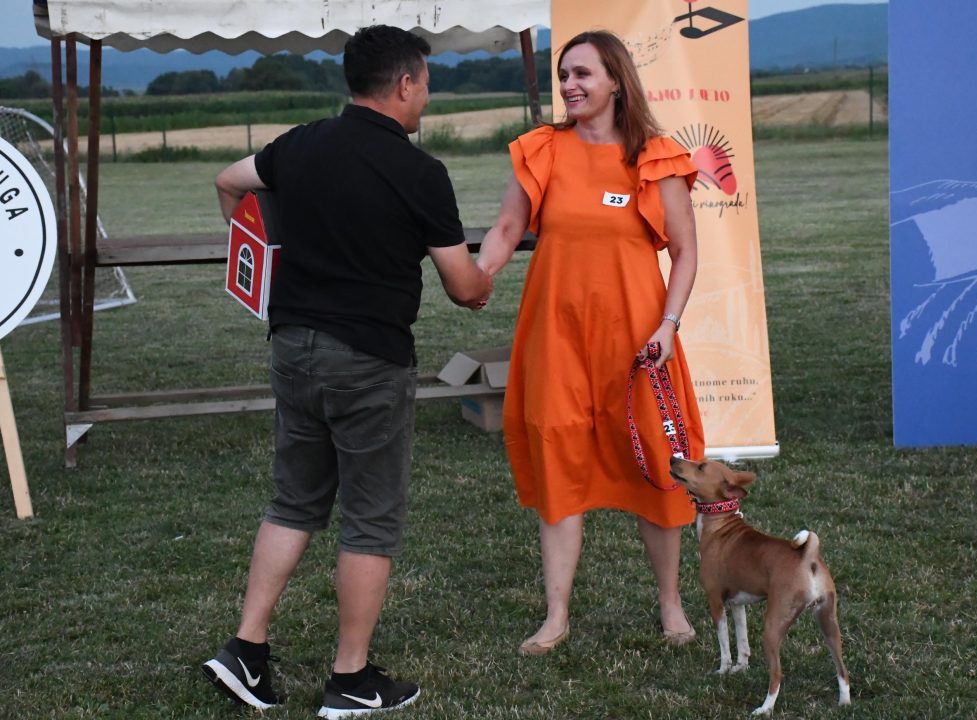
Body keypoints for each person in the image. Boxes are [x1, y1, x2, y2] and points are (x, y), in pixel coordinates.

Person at [201, 25, 492, 717]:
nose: (427, 96)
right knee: (370, 522)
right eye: (426, 83)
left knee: (293, 503)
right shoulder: (420, 173)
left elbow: (228, 181)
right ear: (404, 84)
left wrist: (257, 257)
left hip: (292, 347)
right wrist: (486, 278)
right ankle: (351, 678)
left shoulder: (300, 144)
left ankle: (246, 650)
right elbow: (463, 286)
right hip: (368, 359)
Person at [477, 30, 704, 655]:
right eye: (563, 75)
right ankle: (556, 616)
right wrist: (479, 275)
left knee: (656, 465)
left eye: (582, 74)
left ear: (615, 82)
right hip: (556, 337)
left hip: (639, 339)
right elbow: (506, 228)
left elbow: (686, 253)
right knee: (559, 460)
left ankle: (671, 605)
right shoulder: (544, 149)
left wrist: (669, 324)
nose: (569, 85)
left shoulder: (655, 157)